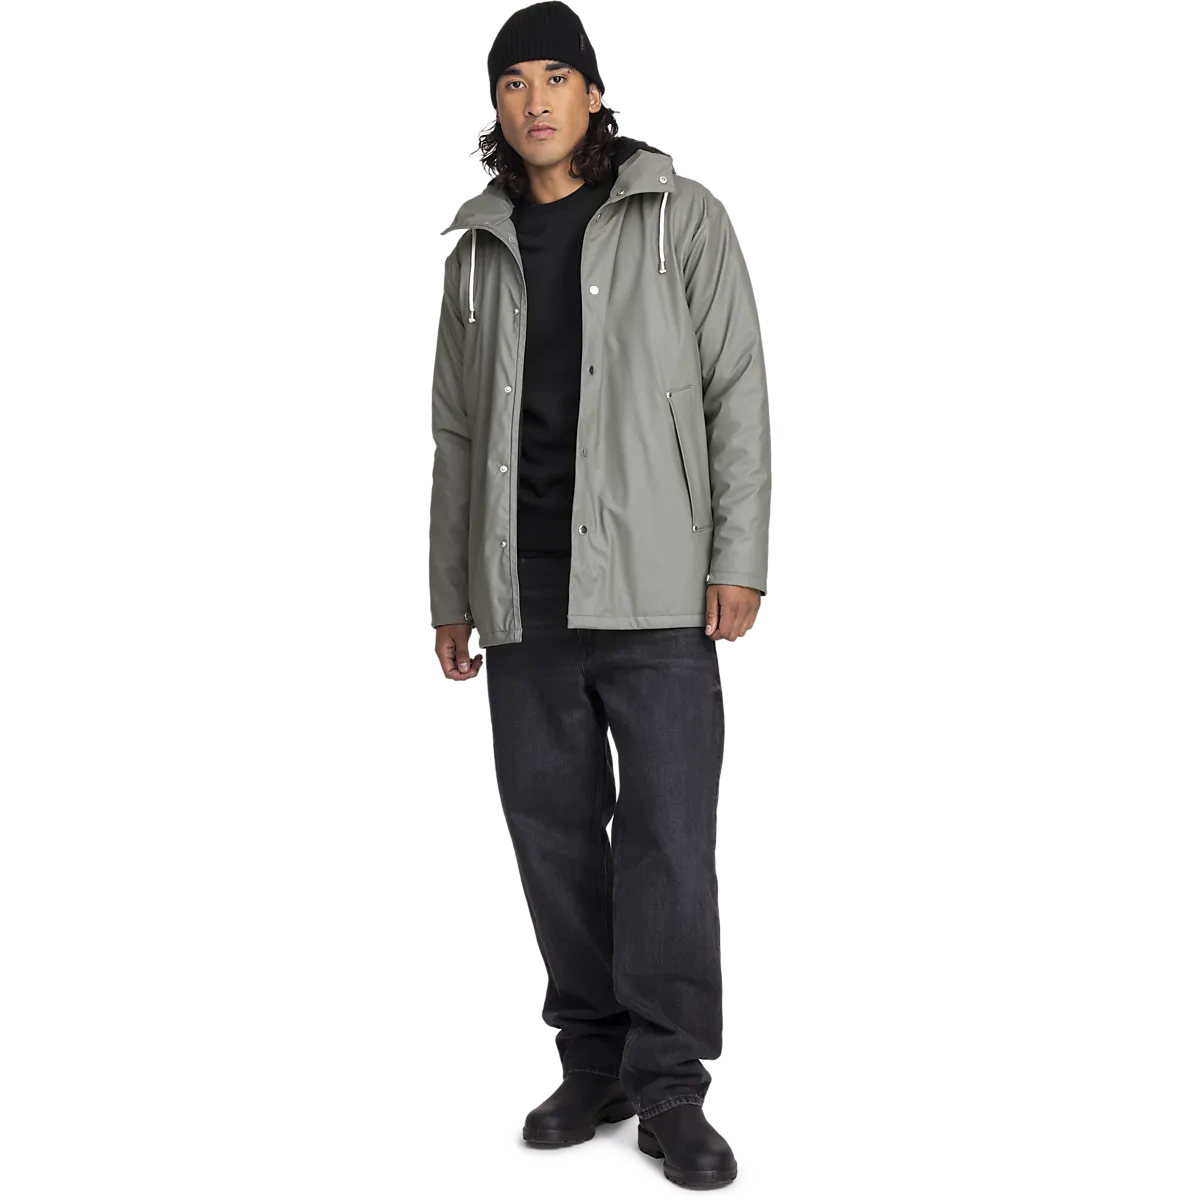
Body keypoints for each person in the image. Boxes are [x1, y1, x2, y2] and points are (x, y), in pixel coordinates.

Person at [428, 2, 770, 1189]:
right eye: (513, 82)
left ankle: (673, 1083)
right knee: (552, 831)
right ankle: (592, 1058)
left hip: (661, 577)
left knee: (669, 837)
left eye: (555, 78)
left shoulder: (680, 213)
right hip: (520, 582)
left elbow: (736, 391)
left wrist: (738, 558)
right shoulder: (475, 242)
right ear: (496, 103)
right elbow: (454, 432)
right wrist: (450, 592)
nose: (535, 101)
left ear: (591, 93)